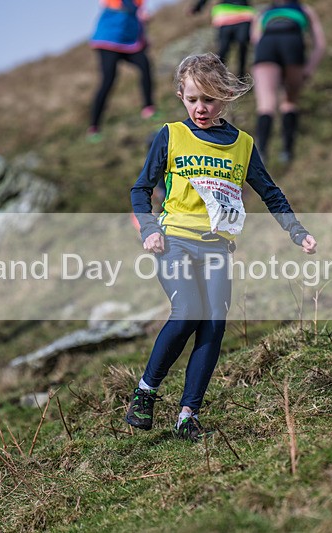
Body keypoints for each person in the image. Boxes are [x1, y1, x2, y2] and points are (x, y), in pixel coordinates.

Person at [129, 53, 317, 441]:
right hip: (175, 241)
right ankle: (145, 393)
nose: (201, 108)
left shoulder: (243, 145)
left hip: (217, 248)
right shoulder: (170, 135)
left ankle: (187, 416)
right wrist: (150, 228)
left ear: (226, 98)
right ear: (181, 95)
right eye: (193, 99)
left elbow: (271, 193)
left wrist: (296, 231)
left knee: (213, 324)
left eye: (210, 99)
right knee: (187, 312)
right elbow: (140, 190)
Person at [252, 0, 326, 163]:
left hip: (266, 46)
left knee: (266, 103)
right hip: (293, 43)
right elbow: (320, 44)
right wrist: (309, 69)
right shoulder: (304, 9)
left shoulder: (264, 13)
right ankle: (287, 152)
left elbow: (256, 40)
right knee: (290, 101)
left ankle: (261, 153)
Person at [88, 0, 156, 141]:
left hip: (129, 43)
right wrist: (138, 11)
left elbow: (138, 19)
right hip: (108, 40)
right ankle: (94, 127)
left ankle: (148, 108)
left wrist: (143, 38)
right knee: (108, 80)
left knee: (145, 65)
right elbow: (125, 6)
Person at [190, 0, 256, 78]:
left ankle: (242, 78)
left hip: (243, 15)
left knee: (242, 45)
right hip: (225, 18)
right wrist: (197, 7)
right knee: (223, 49)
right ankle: (219, 78)